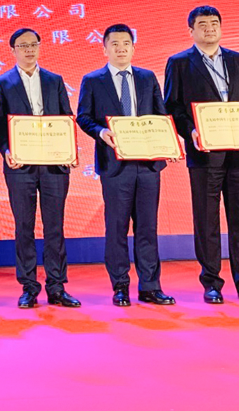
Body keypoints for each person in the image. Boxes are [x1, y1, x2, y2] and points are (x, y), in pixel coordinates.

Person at [164, 6, 239, 304]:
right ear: (191, 31)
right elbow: (172, 106)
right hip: (204, 154)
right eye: (202, 24)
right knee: (207, 220)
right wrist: (191, 131)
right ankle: (211, 282)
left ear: (221, 27)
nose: (209, 29)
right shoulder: (179, 63)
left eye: (214, 23)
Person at [76, 24, 175, 307]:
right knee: (116, 227)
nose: (121, 49)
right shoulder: (92, 80)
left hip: (148, 165)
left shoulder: (147, 77)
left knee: (148, 227)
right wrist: (100, 132)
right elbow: (83, 117)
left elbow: (161, 116)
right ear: (105, 49)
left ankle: (150, 286)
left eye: (126, 44)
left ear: (133, 47)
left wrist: (167, 143)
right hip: (114, 165)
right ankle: (120, 286)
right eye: (114, 44)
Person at [0, 28, 80, 309]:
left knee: (55, 227)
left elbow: (66, 117)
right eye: (23, 45)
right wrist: (7, 150)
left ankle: (57, 286)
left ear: (39, 47)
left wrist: (68, 151)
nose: (29, 49)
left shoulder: (54, 80)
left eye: (33, 44)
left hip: (54, 164)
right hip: (20, 165)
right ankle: (29, 287)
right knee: (24, 226)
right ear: (13, 50)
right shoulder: (3, 82)